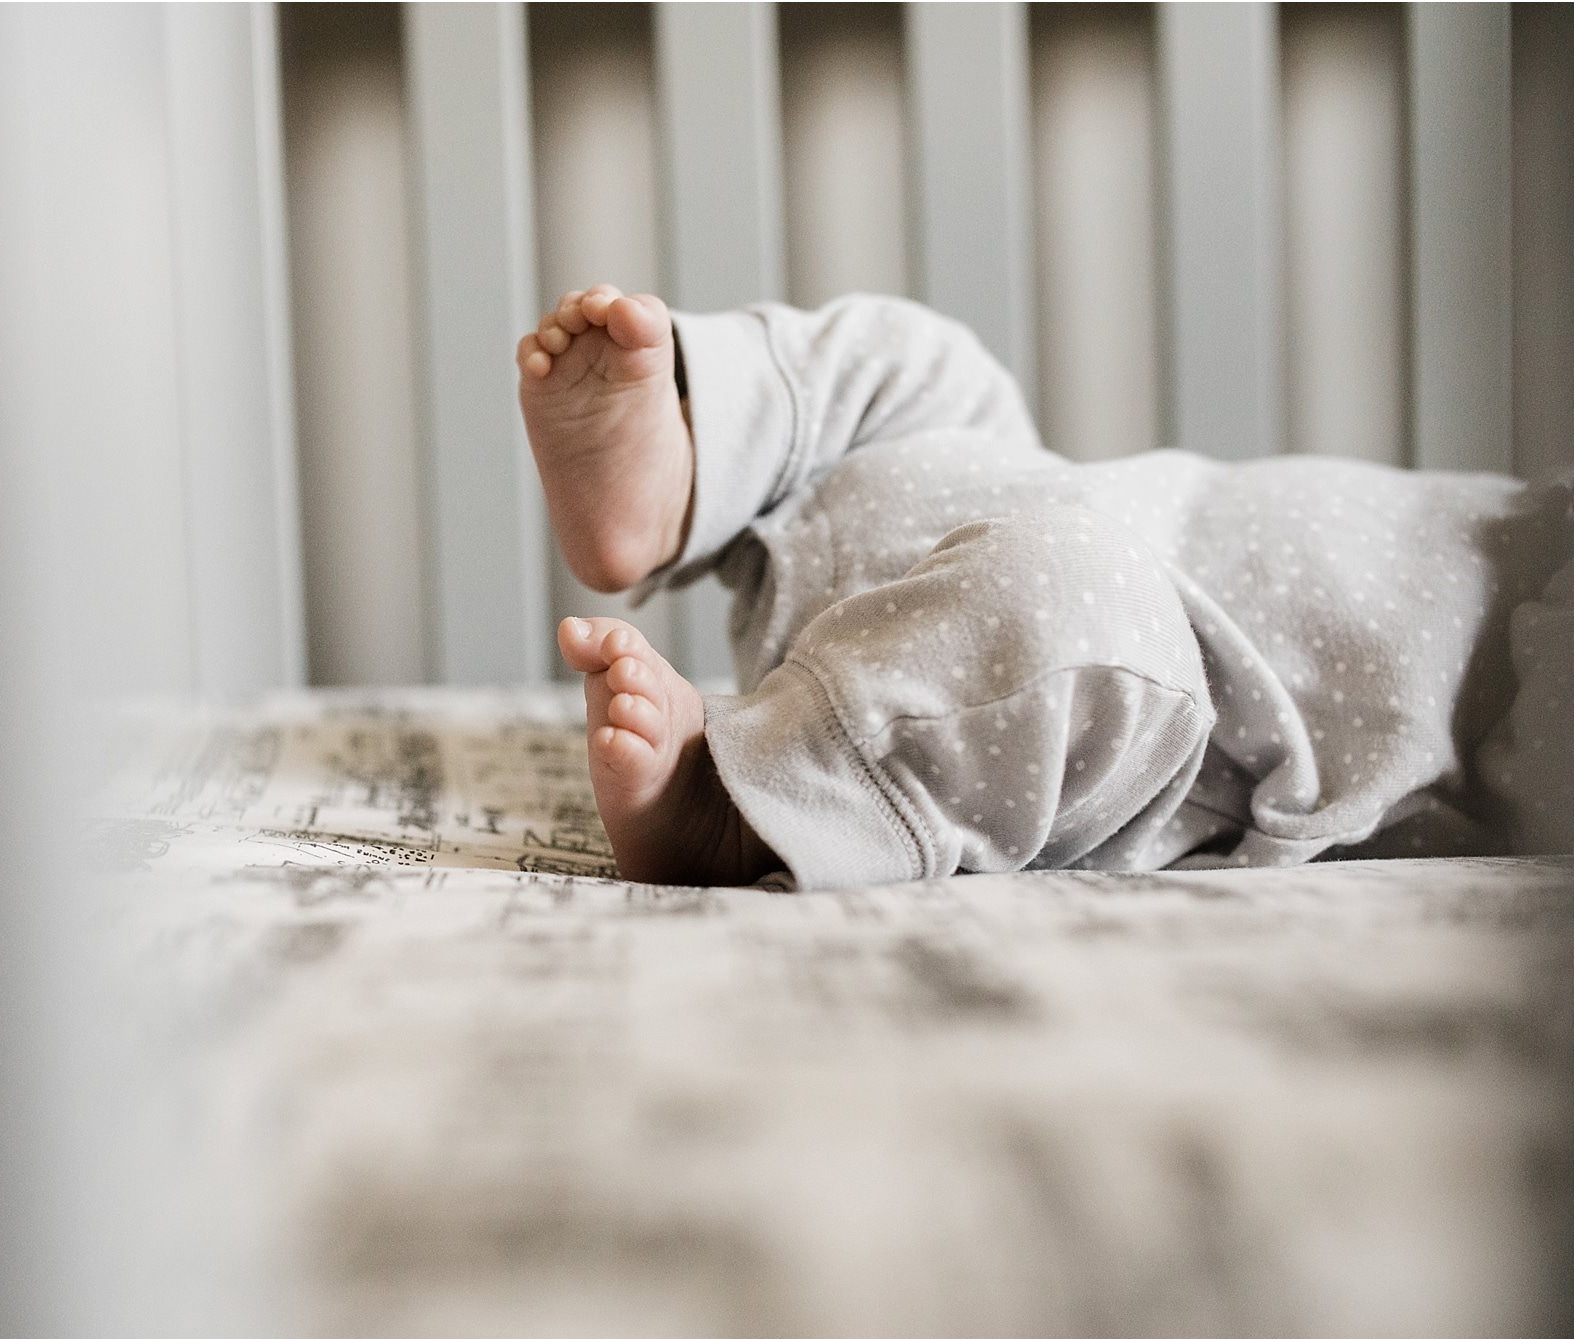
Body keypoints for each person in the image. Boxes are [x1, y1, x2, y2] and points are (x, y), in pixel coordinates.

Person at [516, 284, 1572, 890]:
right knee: (925, 363)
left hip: (1108, 698)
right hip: (984, 481)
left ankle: (744, 795)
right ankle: (691, 468)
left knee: (1065, 602)